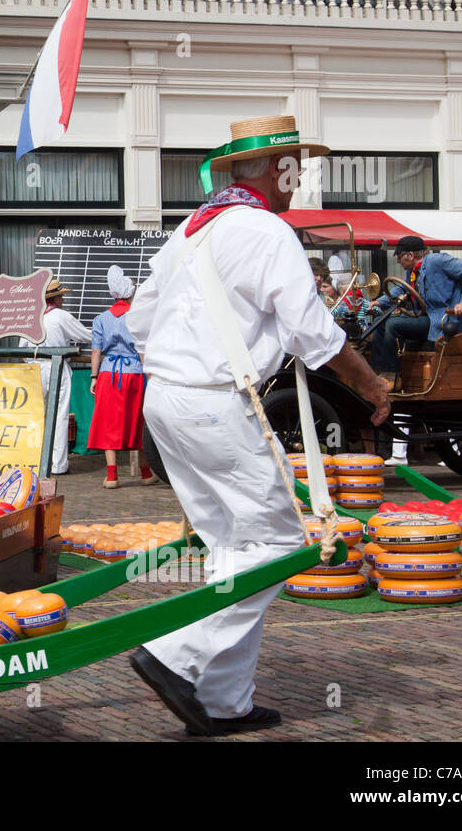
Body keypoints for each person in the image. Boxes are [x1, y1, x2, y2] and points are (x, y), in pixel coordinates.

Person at [125, 114, 388, 737]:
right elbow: (312, 333)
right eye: (295, 166)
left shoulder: (191, 230)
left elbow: (138, 319)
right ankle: (176, 655)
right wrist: (371, 384)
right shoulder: (267, 231)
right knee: (277, 545)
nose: (300, 181)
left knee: (233, 549)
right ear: (277, 170)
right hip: (215, 401)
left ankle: (223, 703)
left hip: (166, 397)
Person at [368, 235, 462, 379]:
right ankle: (377, 373)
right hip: (426, 316)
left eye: (399, 256)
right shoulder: (412, 271)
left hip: (442, 318)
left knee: (393, 324)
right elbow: (405, 289)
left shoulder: (437, 261)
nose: (397, 261)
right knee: (381, 321)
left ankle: (391, 376)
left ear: (410, 255)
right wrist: (381, 301)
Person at [87, 266, 155, 488]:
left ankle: (113, 475)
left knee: (108, 422)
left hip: (108, 373)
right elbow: (143, 350)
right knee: (138, 421)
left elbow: (96, 351)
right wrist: (150, 377)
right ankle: (146, 473)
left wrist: (94, 377)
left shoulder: (100, 319)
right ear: (130, 292)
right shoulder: (137, 316)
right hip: (134, 373)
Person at [18, 278, 90, 475]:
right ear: (56, 298)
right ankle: (58, 464)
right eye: (61, 296)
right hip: (57, 365)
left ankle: (33, 459)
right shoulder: (61, 316)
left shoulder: (31, 317)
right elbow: (86, 335)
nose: (63, 299)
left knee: (35, 416)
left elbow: (20, 350)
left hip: (35, 367)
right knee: (60, 415)